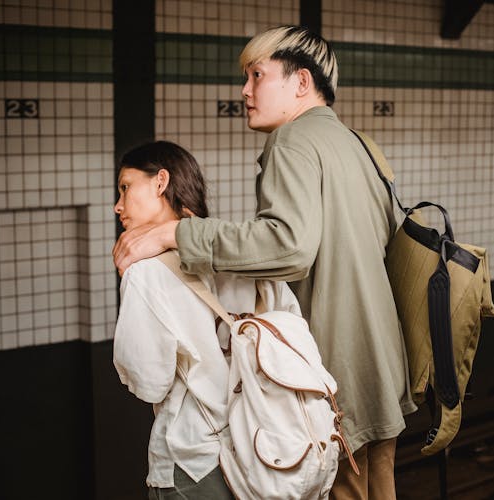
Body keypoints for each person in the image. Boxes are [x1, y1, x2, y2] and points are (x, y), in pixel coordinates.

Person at [113, 26, 416, 499]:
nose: (245, 91)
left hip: (328, 363)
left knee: (341, 490)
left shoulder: (293, 141)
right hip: (379, 356)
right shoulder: (358, 144)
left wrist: (176, 232)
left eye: (257, 75)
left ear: (300, 83)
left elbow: (289, 247)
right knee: (380, 486)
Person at [112, 140, 301, 499]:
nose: (117, 205)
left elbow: (150, 381)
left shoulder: (146, 272)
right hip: (268, 445)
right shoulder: (241, 248)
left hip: (196, 458)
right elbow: (292, 327)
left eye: (125, 187)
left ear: (160, 182)